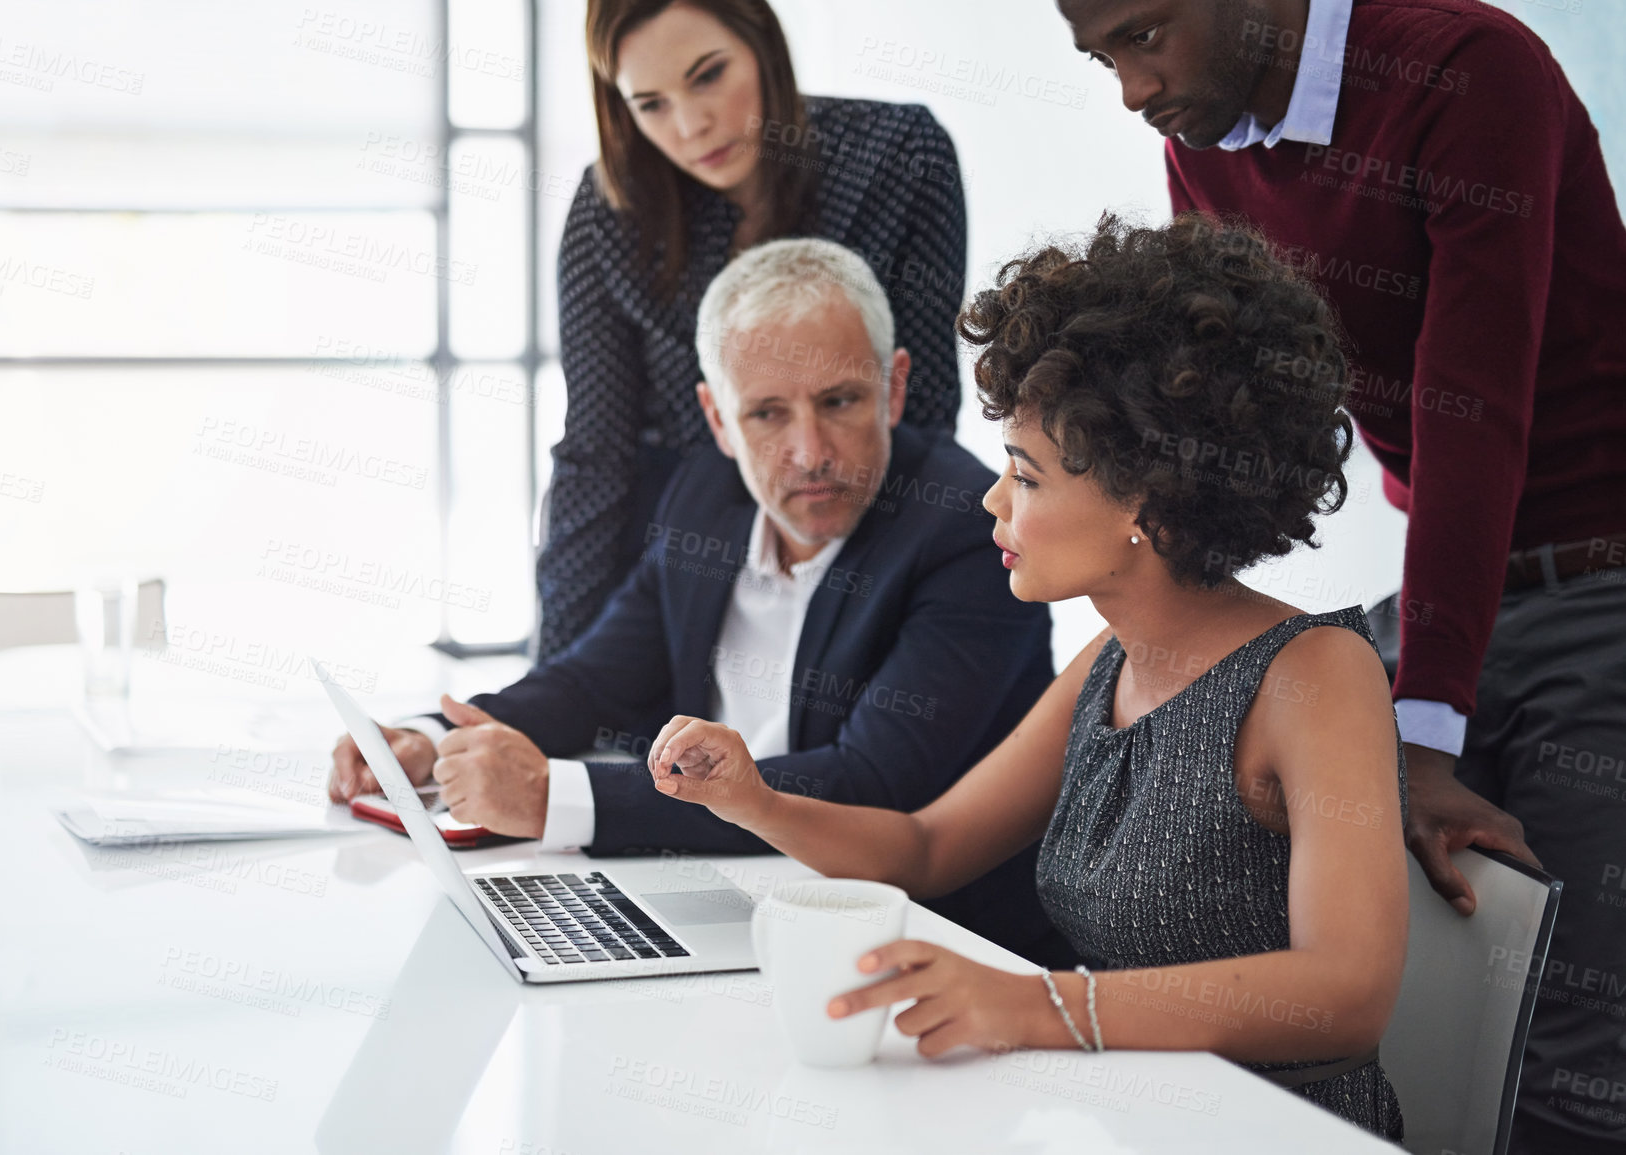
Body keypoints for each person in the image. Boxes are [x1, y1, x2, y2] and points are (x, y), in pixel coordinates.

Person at [641, 216, 1411, 1139]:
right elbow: (926, 847)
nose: (992, 499)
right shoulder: (1110, 660)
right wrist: (752, 799)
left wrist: (1037, 1004)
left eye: (1026, 474)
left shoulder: (1315, 675)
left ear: (1148, 497)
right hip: (1109, 1116)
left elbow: (1348, 990)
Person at [1056, 2, 1626, 1147]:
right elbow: (1221, 423)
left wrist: (1423, 740)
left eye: (1145, 34)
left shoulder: (1469, 72)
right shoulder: (1204, 139)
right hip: (1451, 587)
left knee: (1576, 1061)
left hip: (1596, 569)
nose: (1131, 87)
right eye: (1101, 56)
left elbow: (1472, 419)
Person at [331, 238, 1065, 964]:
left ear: (895, 387)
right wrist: (426, 741)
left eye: (839, 400)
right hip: (722, 897)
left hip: (923, 943)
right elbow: (595, 679)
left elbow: (870, 785)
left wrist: (554, 795)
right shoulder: (706, 495)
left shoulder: (966, 530)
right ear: (717, 418)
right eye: (766, 415)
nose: (809, 452)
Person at [540, 0, 969, 659]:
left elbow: (923, 412)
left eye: (708, 75)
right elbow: (596, 452)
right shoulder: (612, 207)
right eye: (650, 104)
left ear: (762, 45)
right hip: (668, 553)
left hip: (851, 522)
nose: (690, 125)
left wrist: (884, 609)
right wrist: (555, 673)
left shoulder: (898, 156)